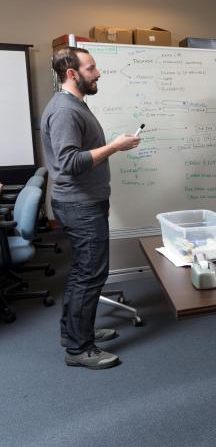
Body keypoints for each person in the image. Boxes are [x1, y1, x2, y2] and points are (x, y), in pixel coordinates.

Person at [41, 47, 140, 369]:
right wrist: (113, 146)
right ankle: (79, 348)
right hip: (79, 205)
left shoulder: (74, 105)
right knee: (90, 273)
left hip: (83, 202)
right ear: (72, 73)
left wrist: (110, 146)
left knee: (83, 271)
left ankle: (73, 332)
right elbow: (69, 162)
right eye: (92, 68)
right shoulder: (66, 111)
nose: (98, 74)